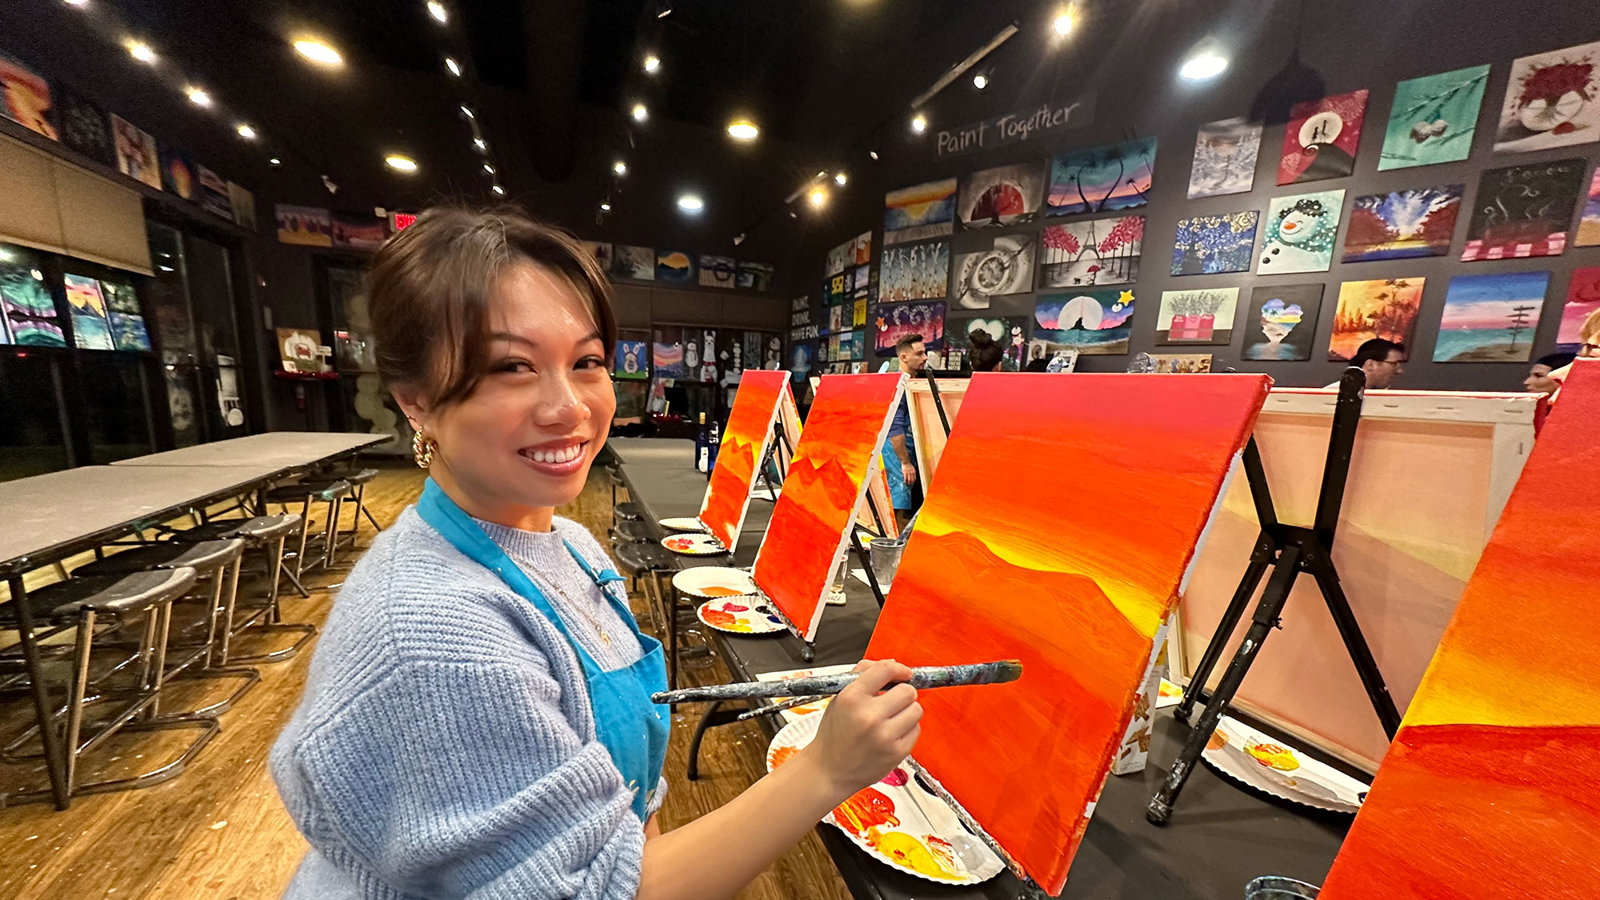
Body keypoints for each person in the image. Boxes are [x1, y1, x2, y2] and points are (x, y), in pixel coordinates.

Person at [270, 208, 921, 900]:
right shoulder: (432, 633)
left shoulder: (569, 542)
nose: (568, 407)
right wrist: (824, 768)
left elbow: (622, 809)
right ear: (416, 401)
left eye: (586, 362)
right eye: (512, 367)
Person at [880, 333, 926, 530]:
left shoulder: (913, 384)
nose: (925, 357)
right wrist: (905, 462)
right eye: (919, 353)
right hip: (895, 453)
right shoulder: (899, 385)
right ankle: (893, 552)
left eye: (925, 353)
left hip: (908, 451)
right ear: (904, 357)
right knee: (896, 511)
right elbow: (895, 426)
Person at [1328, 338, 1405, 389]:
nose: (1399, 371)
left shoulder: (1378, 398)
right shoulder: (1334, 394)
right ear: (1370, 365)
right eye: (1394, 364)